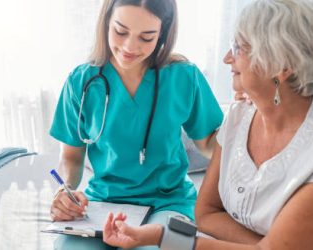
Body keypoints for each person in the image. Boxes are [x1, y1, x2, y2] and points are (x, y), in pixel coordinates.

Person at [102, 0, 313, 249]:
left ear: (282, 66)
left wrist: (162, 236)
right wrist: (266, 244)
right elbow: (206, 214)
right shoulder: (239, 116)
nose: (226, 58)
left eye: (239, 48)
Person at [49, 0, 223, 249]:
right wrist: (65, 190)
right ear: (106, 22)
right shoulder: (81, 82)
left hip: (169, 202)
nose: (130, 47)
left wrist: (251, 119)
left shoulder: (184, 77)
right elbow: (72, 157)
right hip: (104, 203)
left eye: (147, 37)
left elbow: (209, 144)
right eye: (120, 31)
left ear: (162, 33)